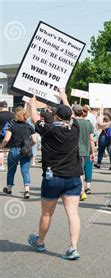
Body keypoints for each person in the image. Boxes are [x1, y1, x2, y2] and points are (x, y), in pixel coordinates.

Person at [27, 93, 84, 260]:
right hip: (73, 176)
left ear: (56, 116)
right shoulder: (75, 128)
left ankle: (40, 242)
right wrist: (64, 96)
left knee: (46, 213)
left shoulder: (49, 129)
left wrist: (32, 104)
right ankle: (73, 248)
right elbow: (71, 114)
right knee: (73, 213)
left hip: (53, 177)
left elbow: (36, 119)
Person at [1, 106, 36, 198]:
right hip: (26, 151)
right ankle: (27, 190)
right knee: (25, 171)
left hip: (14, 150)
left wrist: (1, 146)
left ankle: (9, 188)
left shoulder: (12, 126)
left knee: (11, 170)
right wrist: (29, 146)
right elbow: (35, 140)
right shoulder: (29, 126)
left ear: (17, 115)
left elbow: (6, 139)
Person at [72, 105, 95, 201]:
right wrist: (93, 152)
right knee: (80, 170)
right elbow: (91, 139)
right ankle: (80, 189)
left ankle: (81, 191)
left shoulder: (73, 122)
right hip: (85, 150)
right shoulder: (88, 123)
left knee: (79, 171)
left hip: (75, 150)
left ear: (73, 112)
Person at [0, 100, 14, 172]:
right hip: (10, 134)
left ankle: (1, 165)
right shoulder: (12, 115)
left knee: (1, 150)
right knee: (8, 149)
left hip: (1, 134)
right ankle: (10, 164)